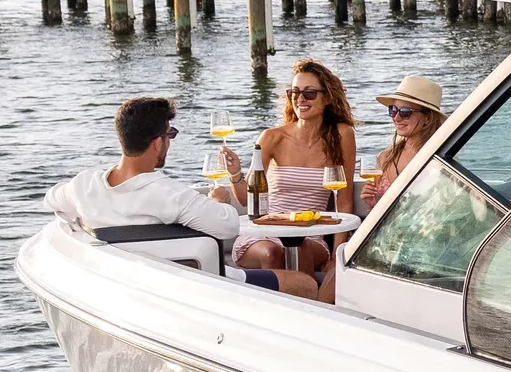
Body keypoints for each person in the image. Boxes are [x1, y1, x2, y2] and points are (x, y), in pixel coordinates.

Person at [47, 95, 318, 294]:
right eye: (170, 134)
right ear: (157, 142)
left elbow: (52, 200)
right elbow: (227, 225)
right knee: (305, 284)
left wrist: (84, 220)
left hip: (131, 289)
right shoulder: (169, 194)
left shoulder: (84, 186)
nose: (169, 142)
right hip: (198, 290)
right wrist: (218, 201)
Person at [239, 58, 359, 299]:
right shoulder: (272, 137)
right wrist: (233, 176)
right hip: (265, 233)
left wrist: (338, 254)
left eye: (309, 93)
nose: (300, 99)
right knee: (274, 252)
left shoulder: (342, 135)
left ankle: (306, 309)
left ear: (327, 98)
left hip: (311, 234)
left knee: (299, 246)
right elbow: (245, 198)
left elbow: (343, 202)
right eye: (294, 92)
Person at [360, 74, 449, 210]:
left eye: (405, 112)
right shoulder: (385, 158)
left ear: (428, 118)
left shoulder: (439, 160)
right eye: (393, 110)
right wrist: (374, 203)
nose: (396, 117)